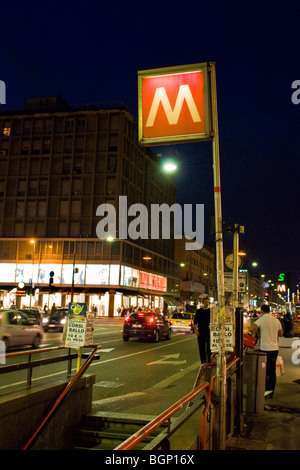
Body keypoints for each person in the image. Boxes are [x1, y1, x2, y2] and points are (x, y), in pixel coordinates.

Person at [249, 304, 283, 398]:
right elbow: (281, 333)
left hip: (265, 349)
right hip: (274, 348)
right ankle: (271, 391)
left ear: (262, 310)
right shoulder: (276, 320)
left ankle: (264, 389)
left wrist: (258, 332)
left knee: (263, 370)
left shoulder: (262, 319)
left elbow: (251, 328)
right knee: (272, 371)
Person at [194, 297, 211, 363]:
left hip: (209, 331)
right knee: (201, 348)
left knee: (209, 349)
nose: (207, 304)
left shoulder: (210, 311)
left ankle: (209, 362)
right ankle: (203, 363)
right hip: (201, 332)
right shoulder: (199, 311)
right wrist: (196, 330)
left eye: (208, 302)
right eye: (205, 302)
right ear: (203, 303)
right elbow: (195, 322)